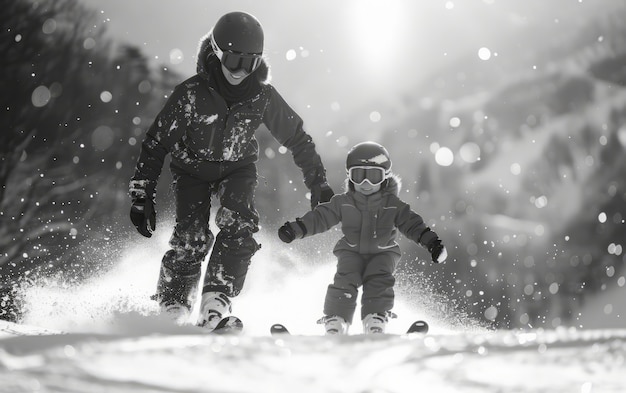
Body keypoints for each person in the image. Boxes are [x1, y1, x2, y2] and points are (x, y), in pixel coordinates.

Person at [129, 11, 334, 329]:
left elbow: (296, 137)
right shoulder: (192, 95)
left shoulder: (262, 96)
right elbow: (157, 142)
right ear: (216, 52)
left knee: (239, 226)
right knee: (191, 237)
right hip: (192, 169)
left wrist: (317, 181)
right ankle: (174, 303)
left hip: (237, 168)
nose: (240, 71)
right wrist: (142, 194)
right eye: (233, 59)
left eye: (249, 62)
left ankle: (216, 299)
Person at [278, 141, 447, 334]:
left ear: (384, 178)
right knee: (344, 280)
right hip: (351, 251)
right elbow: (320, 217)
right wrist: (297, 228)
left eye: (373, 177)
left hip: (383, 253)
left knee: (379, 280)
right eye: (359, 176)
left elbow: (413, 225)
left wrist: (432, 243)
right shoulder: (343, 203)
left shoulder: (393, 205)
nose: (366, 184)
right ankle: (336, 320)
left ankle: (375, 319)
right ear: (350, 177)